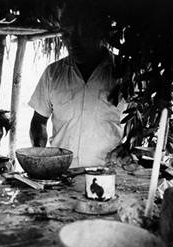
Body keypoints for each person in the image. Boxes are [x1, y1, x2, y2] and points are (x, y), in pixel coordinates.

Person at [28, 4, 126, 167]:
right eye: (66, 34)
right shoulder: (53, 74)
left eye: (83, 33)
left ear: (100, 33)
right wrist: (40, 154)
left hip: (108, 172)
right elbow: (39, 121)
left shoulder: (123, 72)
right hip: (62, 172)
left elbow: (138, 123)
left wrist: (127, 147)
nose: (73, 42)